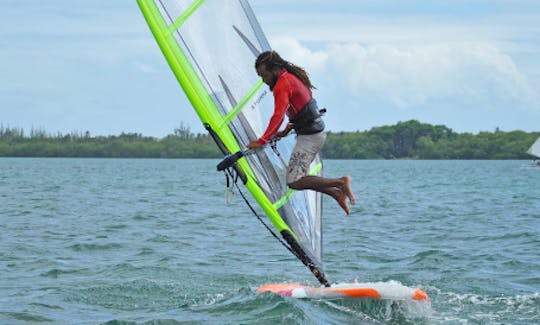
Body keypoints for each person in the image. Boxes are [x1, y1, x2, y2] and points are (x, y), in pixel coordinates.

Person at [247, 51, 356, 215]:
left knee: (294, 181)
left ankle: (340, 182)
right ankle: (336, 193)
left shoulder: (283, 84)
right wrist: (287, 129)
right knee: (298, 179)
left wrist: (262, 141)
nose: (263, 80)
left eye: (264, 75)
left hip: (310, 138)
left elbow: (278, 115)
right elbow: (301, 108)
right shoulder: (290, 77)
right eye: (260, 76)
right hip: (312, 133)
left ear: (275, 69)